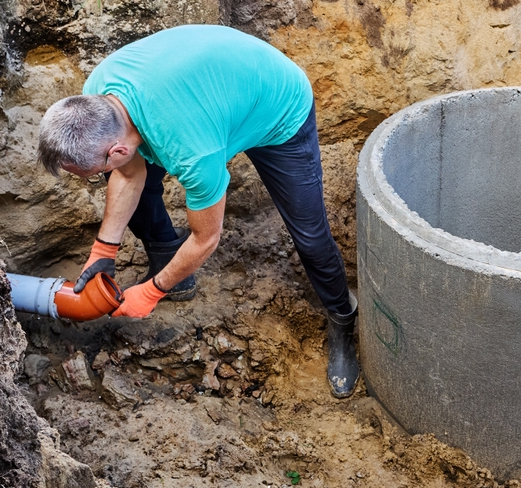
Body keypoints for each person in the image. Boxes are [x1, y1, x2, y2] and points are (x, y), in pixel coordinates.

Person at [37, 25, 359, 398]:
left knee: (310, 234)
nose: (97, 179)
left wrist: (153, 292)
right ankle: (172, 267)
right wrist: (104, 251)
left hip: (276, 106)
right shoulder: (98, 95)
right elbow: (129, 174)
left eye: (95, 174)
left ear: (117, 151)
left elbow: (206, 239)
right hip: (214, 91)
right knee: (139, 194)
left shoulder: (192, 152)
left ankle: (342, 317)